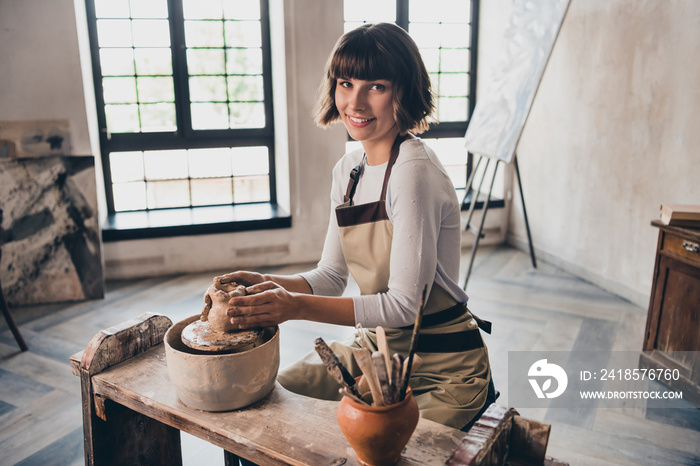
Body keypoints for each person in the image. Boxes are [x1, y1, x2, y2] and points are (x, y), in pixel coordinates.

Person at [221, 22, 494, 431]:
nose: (356, 102)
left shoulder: (413, 171)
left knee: (386, 449)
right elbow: (331, 277)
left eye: (376, 86)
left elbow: (404, 307)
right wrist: (265, 283)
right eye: (346, 83)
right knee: (264, 402)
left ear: (404, 89)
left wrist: (292, 307)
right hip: (376, 353)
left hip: (442, 368)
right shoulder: (349, 170)